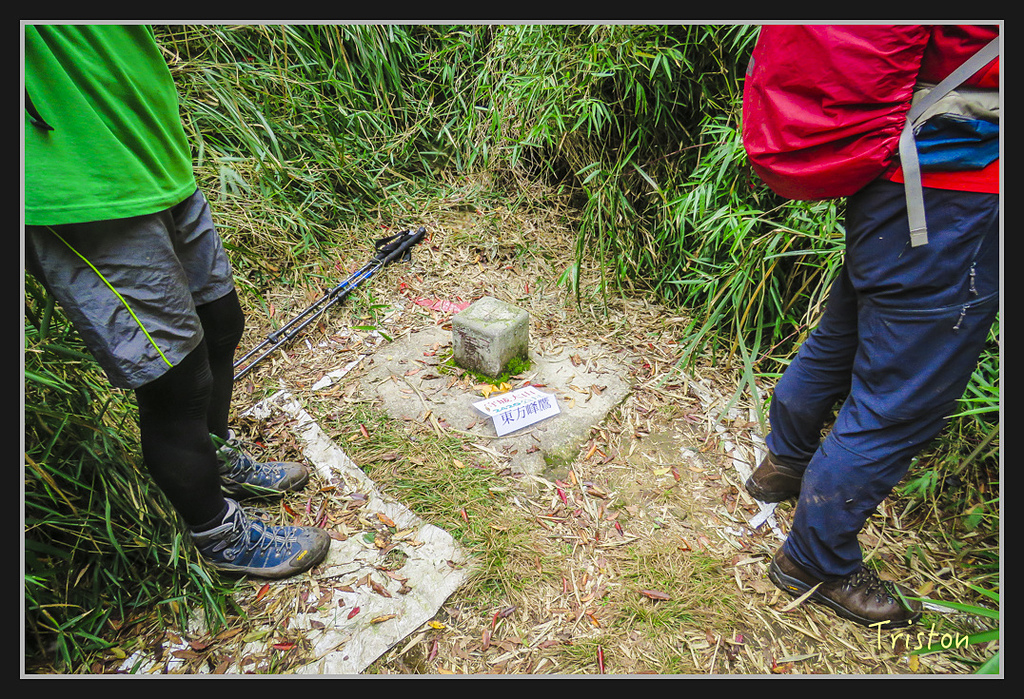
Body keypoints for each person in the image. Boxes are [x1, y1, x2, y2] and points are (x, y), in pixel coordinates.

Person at [24, 24, 331, 580]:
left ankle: (216, 457)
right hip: (77, 192)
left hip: (156, 157)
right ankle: (218, 534)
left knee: (221, 323)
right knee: (175, 379)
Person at [744, 24, 999, 629]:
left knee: (844, 331)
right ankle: (814, 559)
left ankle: (785, 462)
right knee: (899, 402)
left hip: (891, 179)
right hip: (951, 197)